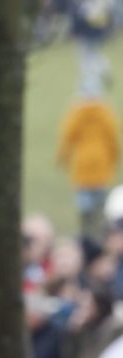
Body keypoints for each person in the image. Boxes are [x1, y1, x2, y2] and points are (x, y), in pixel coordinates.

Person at [57, 77, 121, 242]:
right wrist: (114, 159)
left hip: (82, 164)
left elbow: (67, 137)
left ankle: (86, 232)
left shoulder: (76, 114)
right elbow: (113, 139)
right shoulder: (105, 113)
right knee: (100, 201)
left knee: (84, 202)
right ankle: (99, 233)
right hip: (101, 164)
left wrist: (62, 158)